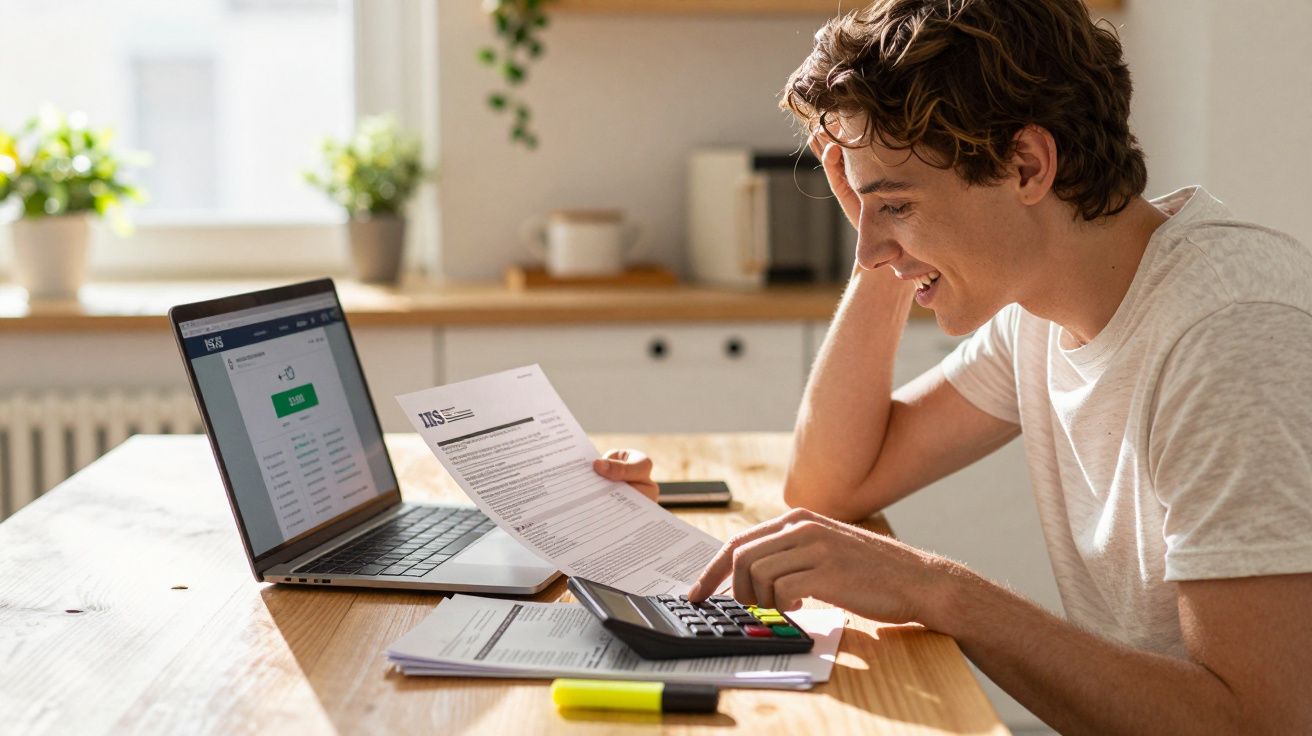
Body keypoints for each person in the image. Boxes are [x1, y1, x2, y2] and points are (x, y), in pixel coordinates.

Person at [591, 0, 1312, 732]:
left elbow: (1256, 722)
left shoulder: (1230, 339)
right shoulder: (1046, 304)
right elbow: (831, 482)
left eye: (898, 204)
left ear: (1027, 165)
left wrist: (941, 592)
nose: (866, 248)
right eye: (864, 206)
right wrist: (889, 245)